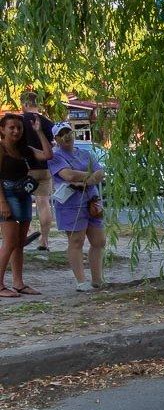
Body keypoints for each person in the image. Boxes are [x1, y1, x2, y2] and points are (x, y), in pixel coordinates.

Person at [0, 112, 53, 297]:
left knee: (20, 243)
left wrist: (39, 132)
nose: (16, 131)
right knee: (9, 242)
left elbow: (47, 155)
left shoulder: (24, 149)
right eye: (11, 128)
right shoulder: (1, 148)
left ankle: (18, 283)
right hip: (6, 196)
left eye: (19, 128)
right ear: (2, 130)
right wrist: (2, 203)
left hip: (23, 195)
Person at [48, 123, 105, 292]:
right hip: (71, 204)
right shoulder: (55, 157)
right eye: (62, 134)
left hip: (91, 200)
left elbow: (100, 173)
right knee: (76, 240)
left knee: (99, 240)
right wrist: (89, 176)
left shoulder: (85, 153)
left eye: (68, 132)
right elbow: (67, 175)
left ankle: (97, 279)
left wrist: (83, 179)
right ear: (56, 139)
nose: (66, 136)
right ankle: (81, 281)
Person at [20, 91, 55, 250]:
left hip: (25, 169)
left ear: (25, 104)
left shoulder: (20, 121)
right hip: (45, 168)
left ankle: (30, 231)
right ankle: (44, 241)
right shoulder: (47, 122)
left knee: (20, 201)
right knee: (43, 203)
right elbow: (53, 144)